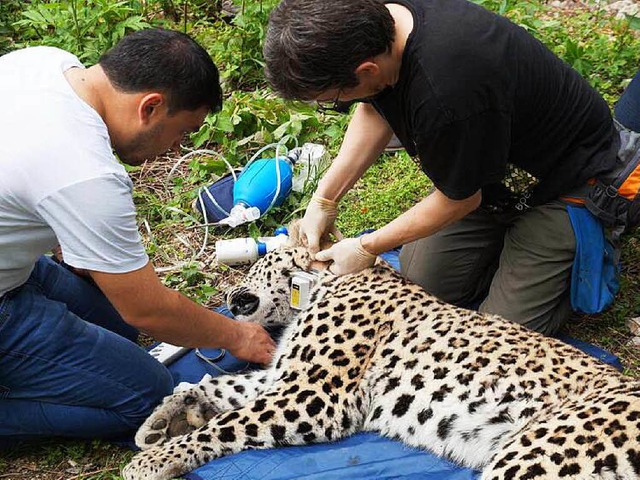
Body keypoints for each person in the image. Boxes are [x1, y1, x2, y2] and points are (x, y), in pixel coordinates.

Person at [263, 0, 620, 335]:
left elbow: (459, 201)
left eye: (335, 99)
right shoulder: (373, 23)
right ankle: (509, 252)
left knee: (498, 334)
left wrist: (367, 246)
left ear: (367, 69)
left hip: (564, 182)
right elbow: (374, 105)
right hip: (492, 174)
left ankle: (575, 250)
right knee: (420, 284)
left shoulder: (446, 95)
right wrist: (324, 199)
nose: (340, 105)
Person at [0, 28, 275, 442]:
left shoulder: (45, 63)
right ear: (150, 107)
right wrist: (236, 335)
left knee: (120, 331)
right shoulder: (86, 172)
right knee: (150, 397)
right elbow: (148, 310)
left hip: (13, 264)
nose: (176, 148)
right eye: (181, 132)